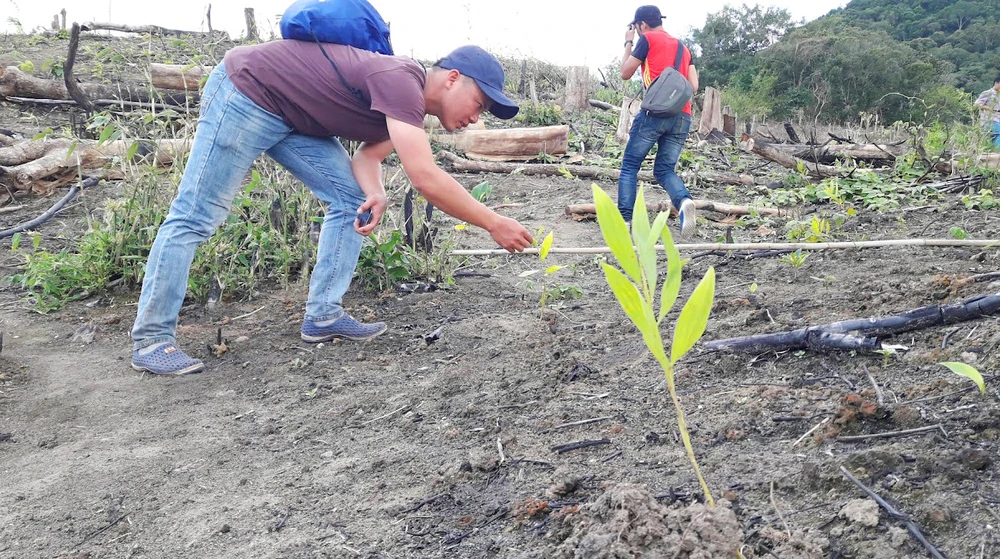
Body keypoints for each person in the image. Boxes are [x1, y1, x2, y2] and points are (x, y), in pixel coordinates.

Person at [129, 41, 533, 375]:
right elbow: (425, 177)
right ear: (452, 78)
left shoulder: (407, 108)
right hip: (248, 94)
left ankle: (323, 315)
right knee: (196, 216)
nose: (477, 118)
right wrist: (493, 221)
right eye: (480, 103)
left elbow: (368, 159)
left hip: (291, 117)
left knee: (349, 199)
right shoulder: (400, 79)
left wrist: (375, 191)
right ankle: (151, 340)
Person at [618, 5, 699, 237]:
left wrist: (628, 42)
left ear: (642, 25)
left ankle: (624, 222)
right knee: (664, 169)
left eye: (638, 28)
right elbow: (693, 86)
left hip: (654, 114)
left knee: (630, 167)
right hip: (682, 115)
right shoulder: (684, 48)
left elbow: (625, 72)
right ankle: (684, 202)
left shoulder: (648, 39)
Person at [974, 76, 1000, 149]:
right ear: (997, 83)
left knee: (994, 136)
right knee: (998, 133)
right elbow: (976, 104)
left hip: (998, 118)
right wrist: (988, 108)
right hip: (990, 118)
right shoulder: (987, 93)